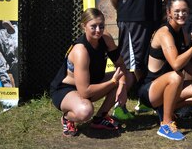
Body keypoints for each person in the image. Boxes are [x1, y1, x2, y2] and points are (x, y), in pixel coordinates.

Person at [138, 0, 192, 141]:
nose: (181, 14)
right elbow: (176, 64)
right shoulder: (164, 33)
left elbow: (186, 63)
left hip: (170, 87)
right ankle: (166, 125)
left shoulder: (183, 31)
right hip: (149, 91)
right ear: (169, 13)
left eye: (184, 11)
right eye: (177, 11)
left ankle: (166, 110)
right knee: (176, 75)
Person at [50, 8, 131, 136]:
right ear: (84, 27)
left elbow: (120, 64)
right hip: (67, 89)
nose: (98, 30)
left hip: (91, 82)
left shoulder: (106, 38)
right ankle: (67, 118)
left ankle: (100, 118)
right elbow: (85, 91)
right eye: (93, 26)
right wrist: (113, 82)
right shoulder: (80, 51)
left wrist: (122, 86)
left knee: (128, 77)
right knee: (85, 111)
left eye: (101, 26)